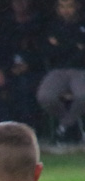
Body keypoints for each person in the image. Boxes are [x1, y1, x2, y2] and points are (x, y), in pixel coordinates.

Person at [0, 0, 44, 129]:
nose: (20, 3)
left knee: (24, 86)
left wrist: (29, 65)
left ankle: (25, 129)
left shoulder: (40, 24)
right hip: (5, 69)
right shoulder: (3, 24)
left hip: (31, 71)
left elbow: (44, 53)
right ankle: (2, 127)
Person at [36, 0, 85, 144]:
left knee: (82, 96)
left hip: (80, 71)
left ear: (77, 6)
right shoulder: (52, 26)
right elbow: (47, 52)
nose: (66, 10)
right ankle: (72, 124)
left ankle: (63, 128)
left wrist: (61, 46)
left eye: (69, 6)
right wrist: (75, 47)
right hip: (58, 70)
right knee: (45, 96)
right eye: (62, 6)